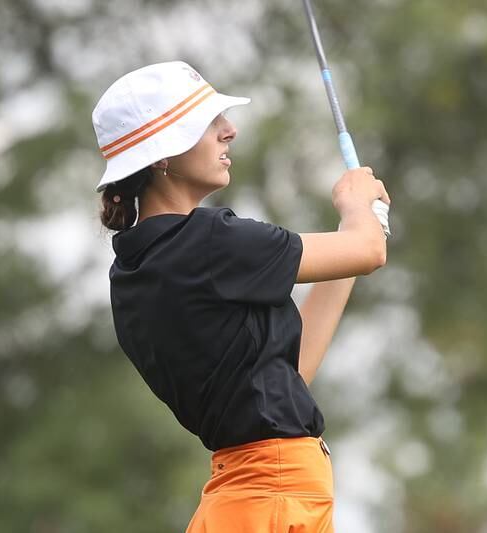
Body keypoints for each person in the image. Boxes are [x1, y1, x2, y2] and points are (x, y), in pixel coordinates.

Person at [92, 61, 390, 532]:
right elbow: (369, 250)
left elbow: (290, 375)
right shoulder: (209, 241)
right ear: (161, 155)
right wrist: (358, 210)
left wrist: (357, 233)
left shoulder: (132, 270)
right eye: (209, 123)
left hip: (249, 498)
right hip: (272, 495)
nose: (229, 131)